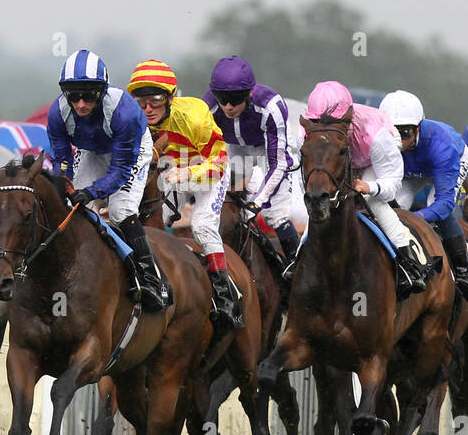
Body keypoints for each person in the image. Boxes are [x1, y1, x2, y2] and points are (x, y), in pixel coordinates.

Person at [45, 49, 169, 312]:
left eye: (88, 96)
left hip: (130, 151)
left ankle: (151, 278)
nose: (80, 104)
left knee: (120, 211)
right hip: (92, 149)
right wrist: (63, 181)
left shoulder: (125, 112)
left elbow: (121, 170)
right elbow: (62, 158)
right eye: (73, 96)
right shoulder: (57, 113)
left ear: (102, 91)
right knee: (77, 212)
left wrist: (91, 191)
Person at [129, 59, 241, 328]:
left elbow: (220, 161)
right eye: (140, 101)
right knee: (147, 222)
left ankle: (226, 295)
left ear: (170, 97)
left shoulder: (194, 114)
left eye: (155, 99)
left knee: (202, 226)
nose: (148, 108)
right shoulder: (135, 123)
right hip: (172, 173)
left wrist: (189, 173)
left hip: (208, 169)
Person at [301, 81, 432, 298]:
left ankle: (409, 262)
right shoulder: (307, 137)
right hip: (341, 161)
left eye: (334, 123)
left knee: (374, 202)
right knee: (317, 204)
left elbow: (392, 186)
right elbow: (305, 180)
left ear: (349, 117)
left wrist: (369, 187)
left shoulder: (377, 136)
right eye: (317, 122)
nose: (325, 130)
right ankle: (297, 260)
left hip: (371, 160)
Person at [380, 90, 468, 301]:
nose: (399, 142)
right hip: (410, 171)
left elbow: (444, 203)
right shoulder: (381, 140)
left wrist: (417, 219)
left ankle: (464, 270)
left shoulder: (442, 145)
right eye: (392, 134)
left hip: (447, 162)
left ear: (418, 128)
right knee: (393, 209)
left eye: (405, 133)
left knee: (433, 204)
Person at [203, 55, 302, 262]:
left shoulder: (271, 106)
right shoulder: (207, 107)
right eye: (222, 98)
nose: (228, 106)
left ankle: (296, 266)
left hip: (271, 151)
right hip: (236, 148)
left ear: (250, 93)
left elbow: (278, 164)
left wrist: (257, 203)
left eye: (236, 99)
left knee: (274, 215)